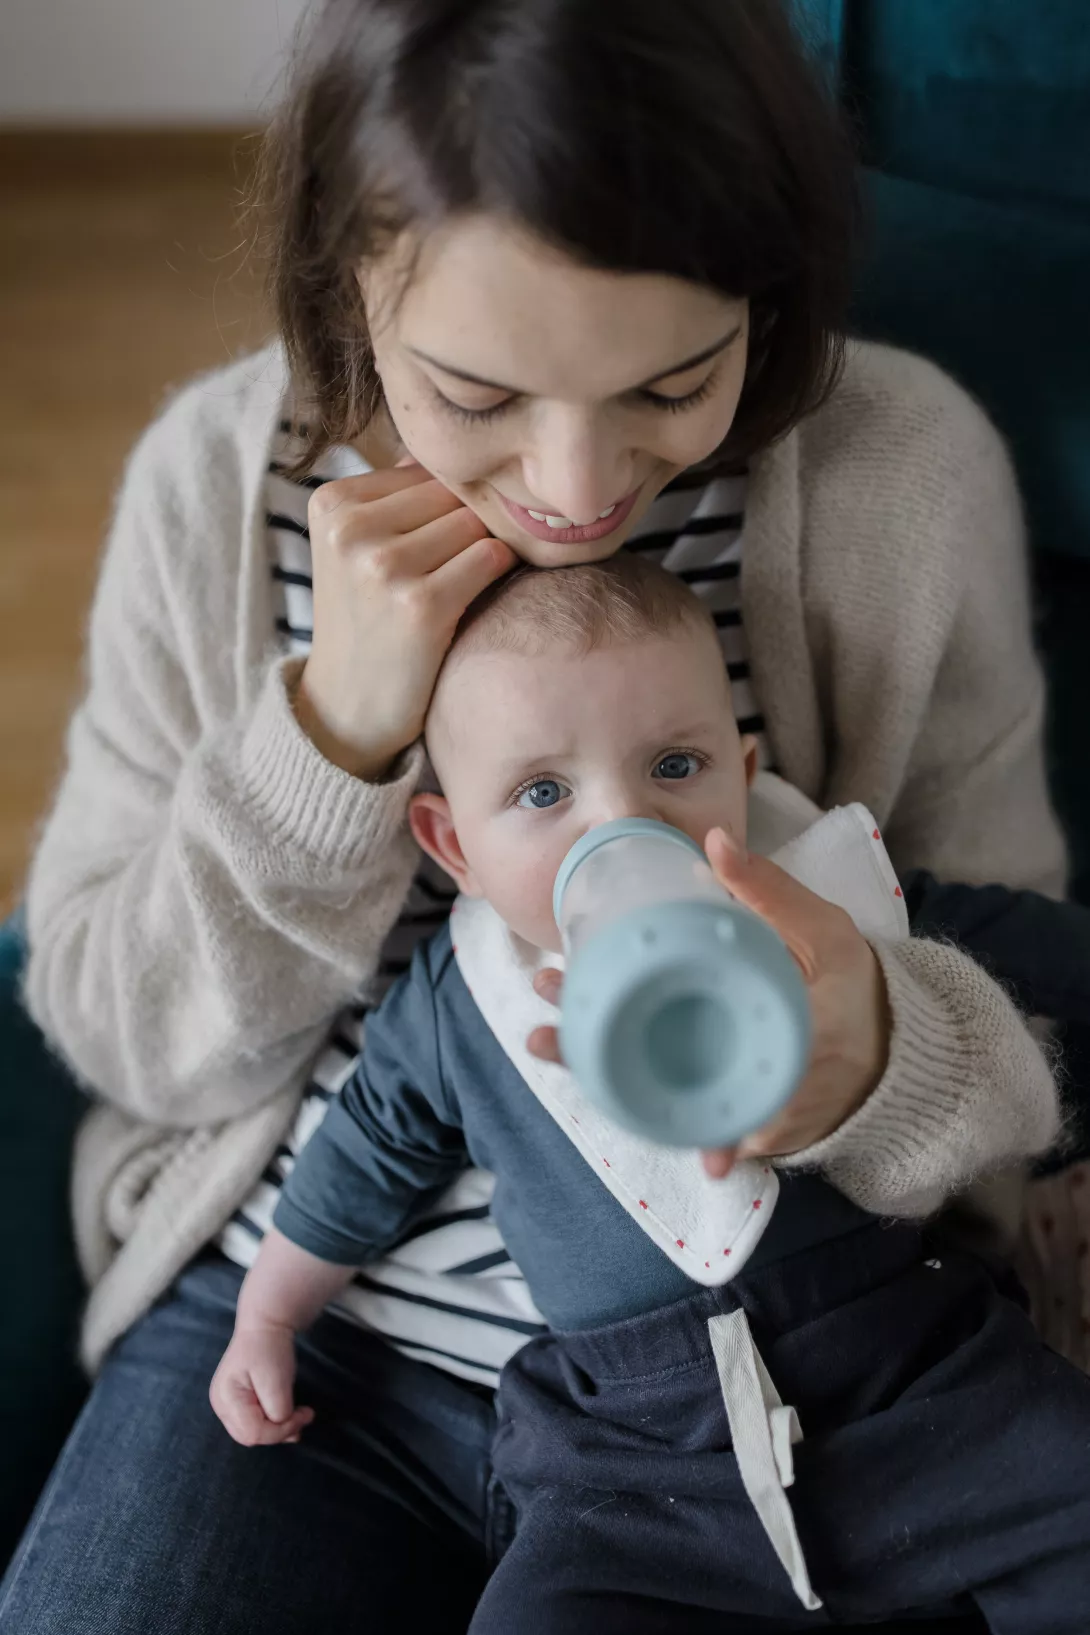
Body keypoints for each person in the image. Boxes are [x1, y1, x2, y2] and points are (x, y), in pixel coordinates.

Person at [0, 1, 1069, 1630]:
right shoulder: (217, 491)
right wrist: (328, 741)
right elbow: (123, 1030)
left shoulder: (896, 482)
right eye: (476, 394)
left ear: (764, 301)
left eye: (676, 381)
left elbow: (1022, 1016)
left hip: (783, 1358)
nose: (575, 487)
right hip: (319, 1339)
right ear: (342, 285)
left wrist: (875, 1061)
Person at [209, 556, 1090, 1631]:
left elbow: (1022, 945)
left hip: (913, 1375)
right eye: (542, 792)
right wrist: (269, 1311)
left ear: (742, 765)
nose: (624, 825)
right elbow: (366, 1150)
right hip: (633, 1459)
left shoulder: (823, 895)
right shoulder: (460, 1002)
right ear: (454, 846)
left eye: (676, 765)